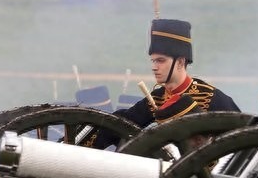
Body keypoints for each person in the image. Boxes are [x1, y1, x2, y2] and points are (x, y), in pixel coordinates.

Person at [94, 18, 240, 148]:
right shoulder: (156, 98)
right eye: (153, 61)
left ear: (180, 62)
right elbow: (120, 125)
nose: (154, 67)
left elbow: (243, 137)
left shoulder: (211, 97)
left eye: (161, 60)